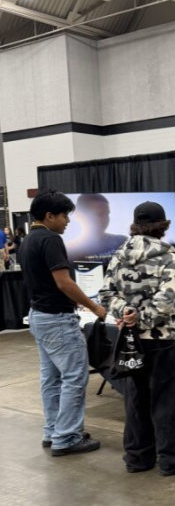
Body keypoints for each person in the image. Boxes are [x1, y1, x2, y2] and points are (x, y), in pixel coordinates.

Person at [99, 201, 175, 476]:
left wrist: (128, 315)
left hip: (130, 341)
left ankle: (138, 458)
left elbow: (106, 295)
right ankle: (174, 460)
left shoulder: (119, 255)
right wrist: (142, 318)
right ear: (163, 225)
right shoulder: (170, 258)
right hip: (162, 340)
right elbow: (166, 303)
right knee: (168, 401)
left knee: (135, 401)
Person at [18, 190, 106, 455]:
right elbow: (64, 282)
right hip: (57, 319)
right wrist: (94, 306)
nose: (67, 221)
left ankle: (54, 430)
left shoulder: (28, 240)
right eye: (64, 215)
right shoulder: (51, 239)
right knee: (74, 376)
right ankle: (67, 437)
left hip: (39, 316)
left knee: (51, 377)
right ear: (49, 216)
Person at [67, 193, 128, 263]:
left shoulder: (122, 241)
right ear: (80, 216)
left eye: (107, 214)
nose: (105, 219)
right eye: (99, 214)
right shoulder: (70, 250)